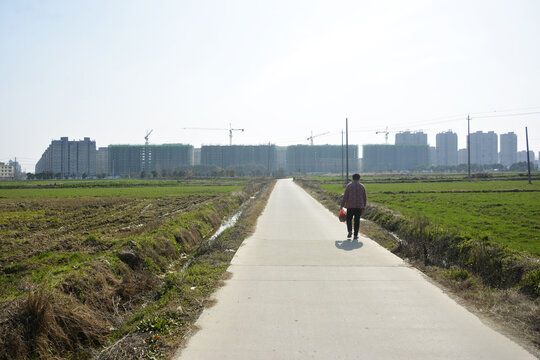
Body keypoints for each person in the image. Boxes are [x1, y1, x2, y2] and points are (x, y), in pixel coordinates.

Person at [340, 173, 367, 240]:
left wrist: (342, 205)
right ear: (359, 178)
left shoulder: (349, 186)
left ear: (352, 178)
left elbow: (345, 196)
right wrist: (364, 205)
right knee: (357, 220)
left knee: (349, 219)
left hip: (350, 206)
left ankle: (350, 231)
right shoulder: (362, 186)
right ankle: (355, 235)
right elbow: (364, 197)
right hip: (359, 207)